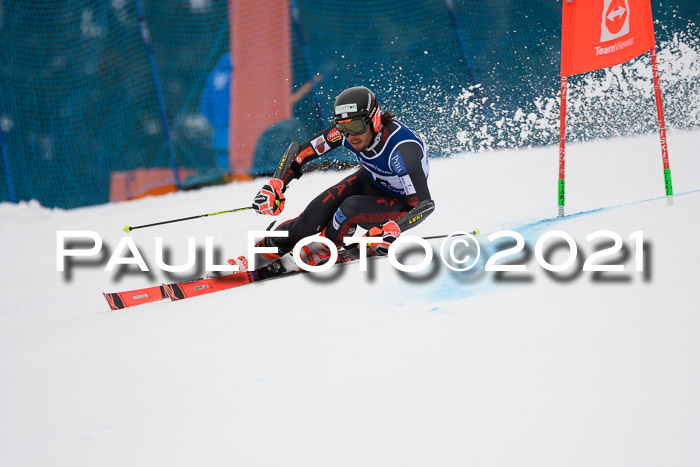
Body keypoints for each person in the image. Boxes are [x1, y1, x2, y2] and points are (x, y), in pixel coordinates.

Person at [251, 85, 433, 263]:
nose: (350, 135)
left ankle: (322, 249)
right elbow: (301, 154)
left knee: (349, 209)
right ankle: (265, 249)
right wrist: (276, 185)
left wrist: (393, 229)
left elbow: (423, 205)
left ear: (375, 120)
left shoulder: (401, 149)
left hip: (400, 203)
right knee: (310, 219)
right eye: (342, 127)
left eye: (356, 126)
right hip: (369, 180)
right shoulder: (344, 133)